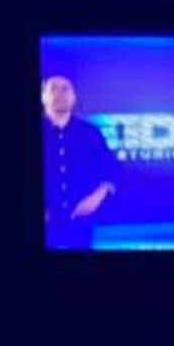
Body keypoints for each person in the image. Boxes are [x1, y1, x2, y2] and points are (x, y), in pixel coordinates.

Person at [42, 75, 117, 249]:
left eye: (65, 89)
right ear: (43, 96)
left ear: (73, 97)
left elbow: (111, 172)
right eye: (53, 89)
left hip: (81, 224)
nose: (59, 94)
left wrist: (97, 198)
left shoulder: (91, 134)